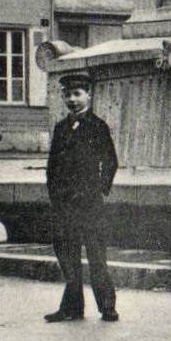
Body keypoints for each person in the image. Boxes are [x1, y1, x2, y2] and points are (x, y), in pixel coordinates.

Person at [44, 71, 120, 324]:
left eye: (77, 94)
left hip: (89, 204)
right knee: (68, 254)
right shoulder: (61, 128)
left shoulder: (97, 127)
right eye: (67, 95)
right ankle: (72, 307)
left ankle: (107, 306)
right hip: (65, 205)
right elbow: (52, 166)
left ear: (89, 94)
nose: (72, 100)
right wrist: (55, 195)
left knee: (97, 256)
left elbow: (110, 161)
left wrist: (100, 189)